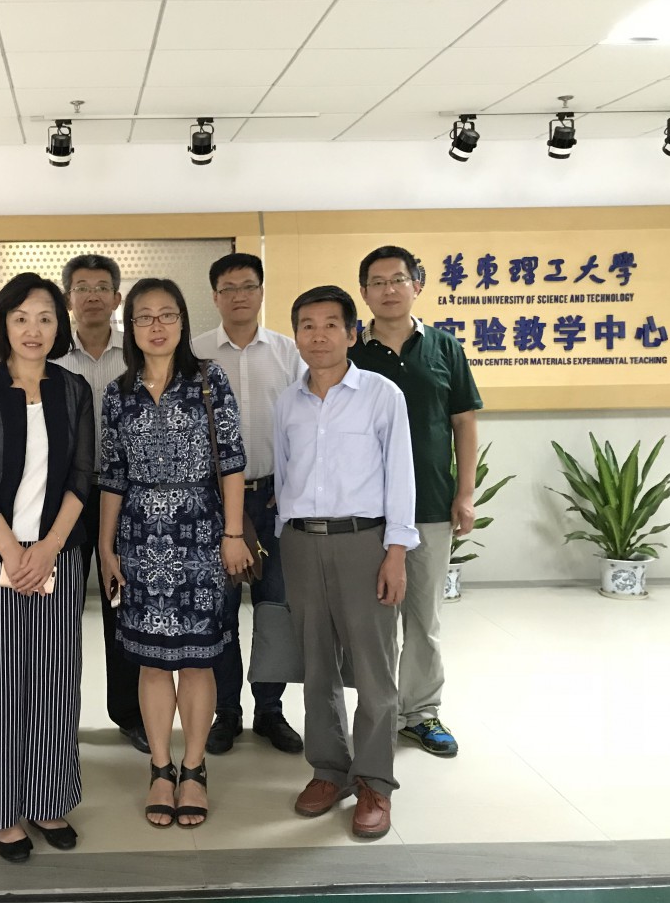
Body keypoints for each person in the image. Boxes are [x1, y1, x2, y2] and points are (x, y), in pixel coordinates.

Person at [0, 272, 93, 863]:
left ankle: (49, 798)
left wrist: (49, 547)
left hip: (57, 558)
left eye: (46, 318)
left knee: (54, 683)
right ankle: (0, 808)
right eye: (21, 318)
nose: (34, 330)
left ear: (60, 327)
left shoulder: (74, 389)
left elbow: (82, 476)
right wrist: (13, 552)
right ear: (3, 323)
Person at [98, 278, 250, 830]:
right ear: (131, 327)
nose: (156, 325)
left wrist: (232, 533)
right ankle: (161, 768)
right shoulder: (118, 393)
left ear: (183, 322)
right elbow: (112, 474)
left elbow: (231, 461)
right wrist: (106, 545)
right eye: (144, 316)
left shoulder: (209, 380)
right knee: (152, 658)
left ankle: (194, 768)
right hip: (140, 538)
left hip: (202, 534)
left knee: (197, 658)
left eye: (167, 314)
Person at [274, 285, 418, 840]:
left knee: (375, 668)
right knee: (316, 665)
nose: (318, 336)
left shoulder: (381, 395)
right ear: (296, 336)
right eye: (306, 325)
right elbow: (285, 474)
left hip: (365, 542)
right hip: (302, 543)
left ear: (352, 333)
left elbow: (400, 476)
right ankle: (329, 770)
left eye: (330, 324)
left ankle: (375, 781)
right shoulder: (288, 402)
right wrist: (285, 537)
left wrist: (396, 552)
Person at [350, 246, 482, 759]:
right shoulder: (351, 351)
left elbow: (463, 423)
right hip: (366, 512)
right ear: (364, 292)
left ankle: (422, 713)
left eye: (398, 279)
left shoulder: (444, 347)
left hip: (429, 505)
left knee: (423, 619)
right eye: (377, 282)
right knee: (375, 622)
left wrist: (465, 494)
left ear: (417, 285)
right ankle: (380, 711)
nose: (389, 289)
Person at [192, 252, 304, 756]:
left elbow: (307, 425)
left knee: (273, 608)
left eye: (248, 286)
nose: (239, 296)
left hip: (275, 498)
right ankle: (227, 713)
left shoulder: (288, 353)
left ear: (261, 292)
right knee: (219, 613)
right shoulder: (194, 354)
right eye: (228, 288)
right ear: (215, 297)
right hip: (213, 506)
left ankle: (270, 710)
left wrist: (294, 484)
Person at [51, 253, 148, 755]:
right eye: (82, 287)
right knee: (59, 609)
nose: (92, 296)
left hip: (125, 497)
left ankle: (129, 713)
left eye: (101, 287)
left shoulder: (137, 355)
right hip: (61, 497)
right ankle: (56, 718)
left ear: (117, 298)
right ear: (68, 298)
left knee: (120, 603)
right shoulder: (49, 356)